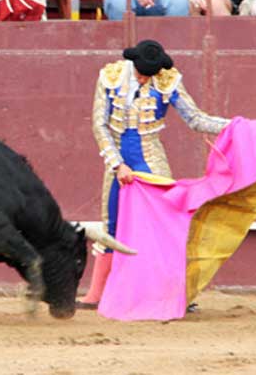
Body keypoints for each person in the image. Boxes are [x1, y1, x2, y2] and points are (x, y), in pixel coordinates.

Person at [77, 39, 229, 309]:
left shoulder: (166, 80)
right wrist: (117, 165)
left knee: (166, 227)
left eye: (149, 74)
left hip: (151, 160)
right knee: (112, 224)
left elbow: (195, 119)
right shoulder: (110, 76)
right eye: (140, 73)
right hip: (119, 162)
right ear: (132, 64)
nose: (144, 79)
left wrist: (232, 126)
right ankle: (97, 294)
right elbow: (99, 126)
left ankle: (176, 295)